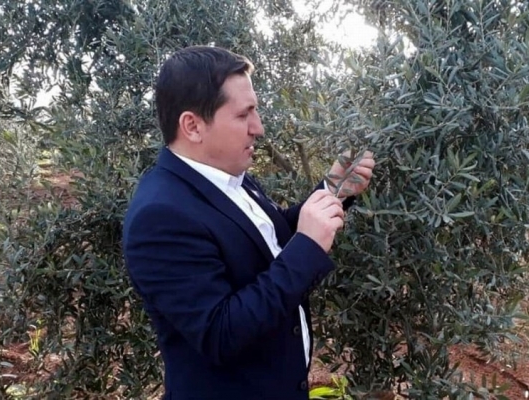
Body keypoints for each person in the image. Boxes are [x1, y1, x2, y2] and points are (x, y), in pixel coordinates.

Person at [122, 45, 375, 400]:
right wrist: (307, 247)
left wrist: (334, 189)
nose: (258, 128)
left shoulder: (226, 177)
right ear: (192, 126)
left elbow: (269, 238)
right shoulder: (160, 216)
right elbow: (220, 334)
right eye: (244, 115)